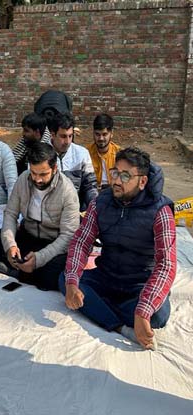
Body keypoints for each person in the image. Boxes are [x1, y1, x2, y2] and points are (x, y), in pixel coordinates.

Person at [60, 147, 175, 350]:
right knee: (65, 280)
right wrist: (72, 281)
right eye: (115, 173)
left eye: (125, 175)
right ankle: (121, 326)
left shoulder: (160, 211)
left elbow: (166, 265)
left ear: (142, 181)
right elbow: (81, 242)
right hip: (107, 276)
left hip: (139, 284)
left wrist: (144, 309)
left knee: (158, 315)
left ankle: (103, 308)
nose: (116, 181)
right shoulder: (100, 203)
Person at [0, 142, 80, 291]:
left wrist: (39, 259)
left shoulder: (67, 191)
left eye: (43, 174)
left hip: (52, 244)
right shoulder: (23, 179)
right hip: (27, 236)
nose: (37, 180)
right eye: (34, 173)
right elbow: (10, 214)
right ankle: (25, 269)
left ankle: (17, 271)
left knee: (56, 272)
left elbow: (68, 236)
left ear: (54, 169)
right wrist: (10, 245)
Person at [48, 112, 98, 211]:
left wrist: (95, 206)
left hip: (76, 209)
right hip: (48, 210)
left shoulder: (82, 153)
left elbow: (90, 186)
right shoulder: (41, 154)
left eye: (70, 136)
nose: (67, 142)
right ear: (52, 135)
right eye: (63, 136)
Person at [87, 113, 120, 189]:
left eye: (104, 134)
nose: (101, 138)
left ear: (111, 134)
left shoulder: (119, 153)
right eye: (97, 134)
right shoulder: (86, 153)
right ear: (93, 133)